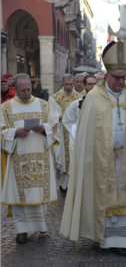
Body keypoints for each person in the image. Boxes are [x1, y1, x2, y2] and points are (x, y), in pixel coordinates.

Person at [60, 41, 126, 257]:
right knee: (100, 195)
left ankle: (121, 239)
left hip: (125, 159)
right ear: (107, 75)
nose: (121, 82)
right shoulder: (94, 98)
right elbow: (84, 131)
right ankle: (100, 235)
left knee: (124, 197)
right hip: (101, 159)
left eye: (124, 77)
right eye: (117, 78)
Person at [1, 73, 59, 244]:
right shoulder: (6, 108)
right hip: (18, 158)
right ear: (16, 89)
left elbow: (55, 125)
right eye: (23, 90)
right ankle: (21, 231)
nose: (27, 93)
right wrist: (14, 132)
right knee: (19, 198)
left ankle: (41, 225)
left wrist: (44, 128)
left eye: (29, 90)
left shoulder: (43, 105)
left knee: (39, 194)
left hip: (41, 158)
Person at [49, 74, 83, 192]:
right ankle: (64, 185)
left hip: (76, 132)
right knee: (63, 158)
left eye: (71, 84)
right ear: (62, 83)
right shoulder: (54, 98)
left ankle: (75, 184)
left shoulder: (80, 97)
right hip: (61, 131)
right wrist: (59, 116)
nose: (69, 87)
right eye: (66, 84)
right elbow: (50, 115)